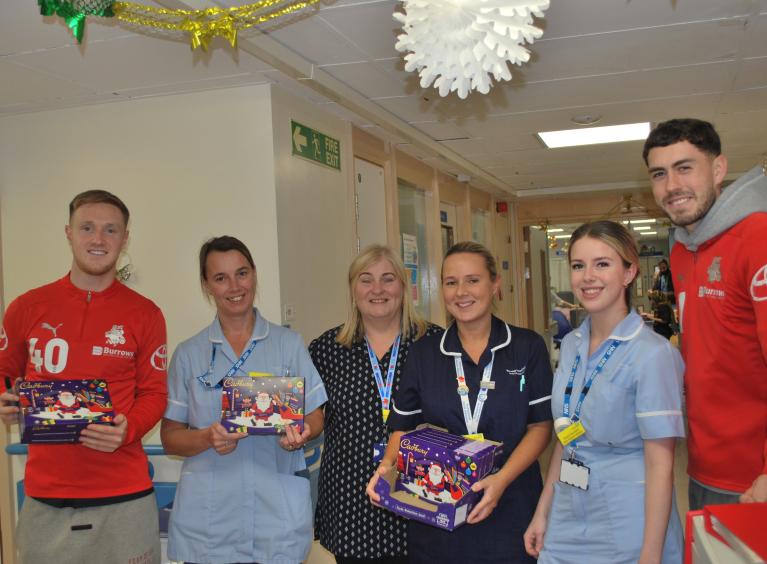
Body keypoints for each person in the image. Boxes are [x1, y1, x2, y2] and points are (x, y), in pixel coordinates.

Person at [0, 190, 168, 563]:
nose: (98, 239)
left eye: (111, 230)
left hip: (125, 498)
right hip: (46, 501)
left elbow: (155, 394)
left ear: (124, 240)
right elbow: (5, 375)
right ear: (69, 232)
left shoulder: (145, 314)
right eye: (87, 227)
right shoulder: (26, 307)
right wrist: (7, 402)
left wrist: (129, 429)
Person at [368, 241, 553, 563]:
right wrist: (386, 469)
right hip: (437, 507)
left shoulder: (526, 347)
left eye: (473, 280)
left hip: (510, 503)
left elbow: (540, 426)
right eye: (451, 283)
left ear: (495, 284)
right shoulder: (425, 353)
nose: (461, 292)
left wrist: (501, 480)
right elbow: (402, 428)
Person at [524, 220, 685, 564]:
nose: (588, 276)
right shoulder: (571, 345)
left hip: (627, 518)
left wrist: (651, 555)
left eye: (602, 264)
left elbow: (661, 464)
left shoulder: (653, 354)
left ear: (629, 272)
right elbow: (567, 436)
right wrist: (543, 511)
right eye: (579, 266)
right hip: (568, 511)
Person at [161, 236, 327, 564]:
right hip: (210, 524)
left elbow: (315, 415)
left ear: (254, 275)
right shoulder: (189, 354)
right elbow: (170, 438)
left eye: (242, 273)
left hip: (275, 518)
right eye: (220, 278)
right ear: (206, 285)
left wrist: (300, 434)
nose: (234, 286)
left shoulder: (288, 344)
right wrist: (207, 437)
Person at [644, 118, 767, 507]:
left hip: (753, 477)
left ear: (718, 169)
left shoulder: (758, 237)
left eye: (685, 168)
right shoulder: (684, 249)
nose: (672, 186)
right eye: (659, 174)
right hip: (704, 463)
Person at [309, 244, 441, 564]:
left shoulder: (434, 343)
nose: (377, 289)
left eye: (388, 279)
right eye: (366, 280)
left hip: (418, 492)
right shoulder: (327, 349)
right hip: (351, 498)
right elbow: (313, 416)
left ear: (404, 287)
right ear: (353, 289)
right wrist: (295, 430)